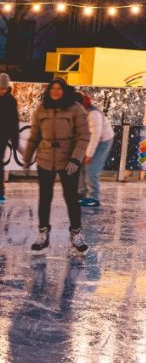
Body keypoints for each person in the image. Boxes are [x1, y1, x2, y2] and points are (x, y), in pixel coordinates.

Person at [22, 78, 91, 255]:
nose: (56, 91)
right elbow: (34, 136)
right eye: (53, 88)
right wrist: (27, 158)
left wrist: (75, 159)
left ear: (64, 90)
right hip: (45, 159)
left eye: (59, 88)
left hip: (68, 160)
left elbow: (84, 136)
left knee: (71, 197)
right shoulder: (42, 108)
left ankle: (76, 234)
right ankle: (43, 234)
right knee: (45, 198)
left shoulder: (75, 109)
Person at [77, 93, 114, 208]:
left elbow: (95, 135)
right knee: (79, 166)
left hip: (103, 141)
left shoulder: (93, 114)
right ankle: (81, 194)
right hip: (86, 140)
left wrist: (89, 154)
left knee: (91, 168)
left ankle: (94, 197)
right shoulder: (77, 112)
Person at [0, 73, 19, 204]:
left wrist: (15, 139)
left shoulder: (11, 101)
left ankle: (0, 192)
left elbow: (13, 122)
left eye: (4, 88)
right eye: (0, 88)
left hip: (2, 136)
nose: (2, 91)